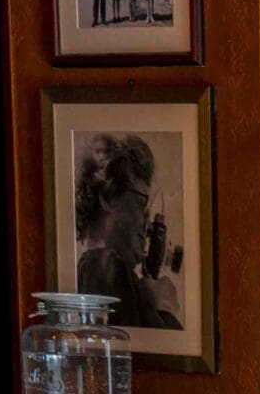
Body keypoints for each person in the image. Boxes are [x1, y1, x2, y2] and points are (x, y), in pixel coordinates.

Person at [71, 134, 181, 332]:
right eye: (141, 204)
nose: (147, 225)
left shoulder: (99, 269)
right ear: (108, 197)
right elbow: (157, 358)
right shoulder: (104, 265)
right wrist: (165, 308)